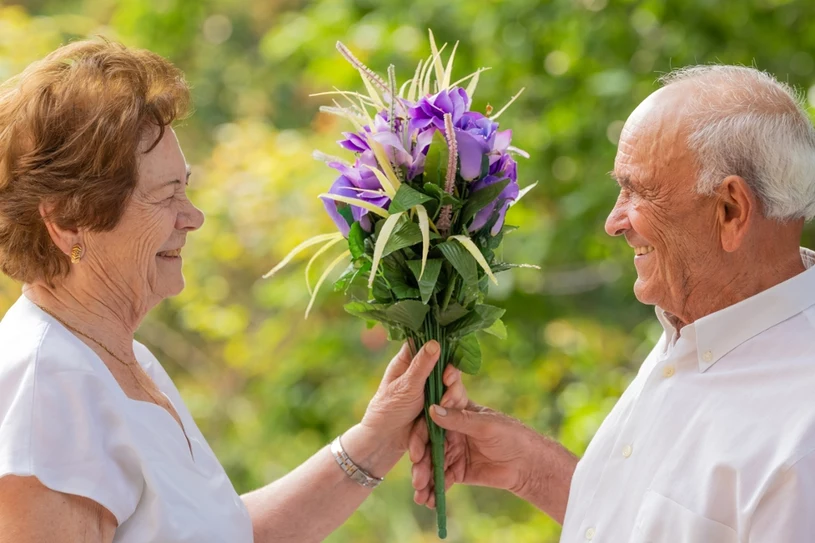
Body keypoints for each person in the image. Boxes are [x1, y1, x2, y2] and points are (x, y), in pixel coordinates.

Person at [0, 38, 466, 543]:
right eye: (165, 195)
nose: (193, 217)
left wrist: (379, 438)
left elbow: (227, 533)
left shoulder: (121, 359)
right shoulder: (48, 388)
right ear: (69, 222)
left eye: (187, 186)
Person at [411, 65, 815, 542]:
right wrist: (532, 469)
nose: (613, 221)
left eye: (638, 191)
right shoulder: (703, 324)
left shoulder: (800, 438)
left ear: (730, 211)